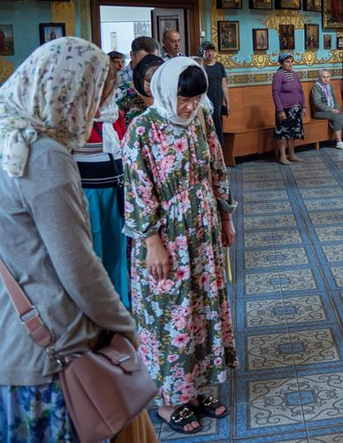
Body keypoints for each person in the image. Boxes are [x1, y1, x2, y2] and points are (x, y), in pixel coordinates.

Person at [0, 38, 136, 441]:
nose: (94, 109)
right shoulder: (43, 153)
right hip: (51, 348)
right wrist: (123, 326)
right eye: (93, 94)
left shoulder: (8, 134)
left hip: (13, 330)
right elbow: (77, 264)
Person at [123, 58, 236, 434]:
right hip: (166, 237)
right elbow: (138, 191)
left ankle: (198, 386)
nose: (190, 106)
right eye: (184, 99)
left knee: (202, 308)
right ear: (166, 92)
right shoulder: (142, 129)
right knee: (172, 317)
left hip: (202, 232)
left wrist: (225, 217)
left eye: (197, 98)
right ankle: (170, 400)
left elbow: (217, 168)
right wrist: (152, 242)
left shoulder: (201, 119)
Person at [73, 55, 130, 307]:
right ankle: (95, 307)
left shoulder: (114, 115)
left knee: (116, 250)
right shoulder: (72, 119)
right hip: (86, 194)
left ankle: (118, 303)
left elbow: (124, 146)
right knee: (91, 252)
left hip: (115, 191)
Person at [271, 53, 306, 165]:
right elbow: (275, 94)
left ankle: (291, 154)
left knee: (293, 132)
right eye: (287, 61)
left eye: (291, 61)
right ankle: (282, 156)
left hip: (296, 108)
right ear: (282, 63)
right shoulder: (278, 75)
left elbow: (301, 91)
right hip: (284, 109)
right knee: (283, 133)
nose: (290, 64)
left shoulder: (295, 75)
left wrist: (303, 106)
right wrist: (280, 110)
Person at [312, 70, 343, 150]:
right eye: (323, 77)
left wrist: (338, 110)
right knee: (337, 117)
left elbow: (334, 100)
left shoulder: (330, 86)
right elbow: (317, 103)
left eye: (328, 77)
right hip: (320, 112)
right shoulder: (317, 87)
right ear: (320, 78)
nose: (326, 79)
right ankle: (339, 142)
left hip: (332, 110)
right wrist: (331, 110)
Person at [198, 41, 229, 146]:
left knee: (217, 122)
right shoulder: (200, 66)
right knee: (207, 122)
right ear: (202, 52)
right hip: (204, 99)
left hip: (217, 98)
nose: (210, 53)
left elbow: (224, 86)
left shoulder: (219, 66)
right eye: (207, 51)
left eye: (212, 51)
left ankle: (219, 147)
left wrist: (227, 103)